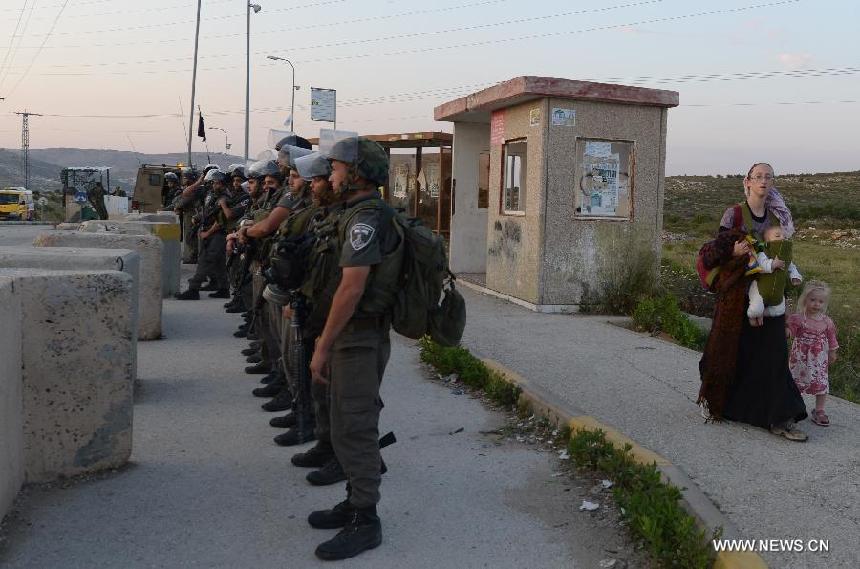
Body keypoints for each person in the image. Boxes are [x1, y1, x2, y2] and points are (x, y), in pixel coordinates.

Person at [307, 137, 402, 560]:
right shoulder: (354, 212)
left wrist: (323, 346)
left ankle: (366, 519)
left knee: (356, 426)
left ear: (358, 172)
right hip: (352, 334)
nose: (331, 174)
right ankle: (353, 500)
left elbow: (352, 286)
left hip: (359, 336)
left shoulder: (367, 218)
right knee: (345, 423)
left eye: (337, 167)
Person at [697, 162, 808, 441]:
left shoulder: (776, 217)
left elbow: (785, 255)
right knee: (736, 354)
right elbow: (716, 250)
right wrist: (733, 251)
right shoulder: (733, 214)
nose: (763, 181)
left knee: (774, 356)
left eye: (768, 177)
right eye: (758, 176)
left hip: (769, 298)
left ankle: (780, 418)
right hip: (738, 298)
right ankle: (733, 407)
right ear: (747, 181)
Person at [787, 281, 839, 427]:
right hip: (800, 359)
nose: (817, 304)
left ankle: (819, 410)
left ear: (824, 303)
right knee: (795, 383)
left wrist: (832, 352)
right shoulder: (798, 318)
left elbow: (832, 338)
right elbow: (790, 333)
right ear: (805, 300)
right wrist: (786, 326)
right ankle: (792, 407)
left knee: (821, 384)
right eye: (813, 300)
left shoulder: (827, 322)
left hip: (818, 360)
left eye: (821, 301)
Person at [175, 168, 230, 299]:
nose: (214, 185)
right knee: (219, 263)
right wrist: (199, 181)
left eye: (216, 183)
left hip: (217, 233)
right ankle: (223, 288)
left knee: (206, 260)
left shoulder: (224, 197)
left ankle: (193, 289)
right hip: (209, 231)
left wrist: (208, 233)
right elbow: (186, 193)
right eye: (212, 182)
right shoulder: (209, 193)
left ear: (222, 183)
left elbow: (221, 220)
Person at [746, 224, 802, 323]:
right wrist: (772, 264)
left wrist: (795, 277)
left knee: (780, 310)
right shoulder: (763, 252)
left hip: (777, 291)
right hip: (760, 288)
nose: (782, 238)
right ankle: (753, 315)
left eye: (784, 237)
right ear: (767, 241)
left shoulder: (785, 256)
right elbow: (759, 265)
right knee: (756, 309)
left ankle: (763, 313)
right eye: (777, 236)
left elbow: (791, 267)